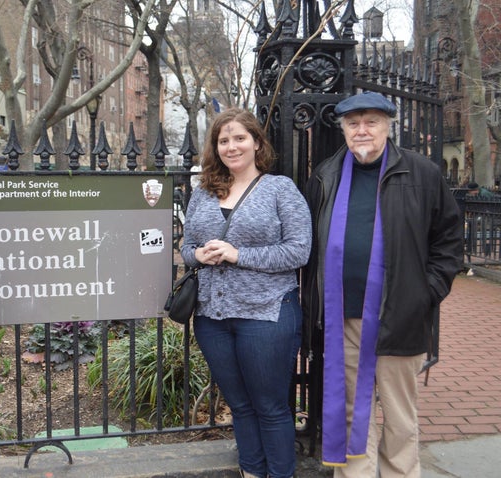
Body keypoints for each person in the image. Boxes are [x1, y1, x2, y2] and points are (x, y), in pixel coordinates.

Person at [302, 92, 463, 477]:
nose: (361, 131)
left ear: (388, 125)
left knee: (399, 416)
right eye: (353, 123)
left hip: (400, 316)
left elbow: (449, 240)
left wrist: (425, 292)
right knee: (350, 413)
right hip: (344, 319)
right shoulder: (326, 175)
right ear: (342, 128)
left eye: (371, 122)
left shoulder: (421, 173)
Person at [181, 108, 312, 478]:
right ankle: (251, 472)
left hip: (266, 314)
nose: (231, 146)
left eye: (239, 138)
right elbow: (186, 246)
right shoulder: (204, 192)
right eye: (223, 140)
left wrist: (238, 255)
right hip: (212, 317)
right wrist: (199, 255)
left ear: (256, 142)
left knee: (270, 406)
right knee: (240, 405)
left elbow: (299, 250)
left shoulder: (279, 189)